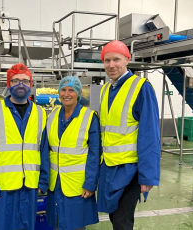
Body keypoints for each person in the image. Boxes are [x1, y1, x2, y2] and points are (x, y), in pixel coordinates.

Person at [97, 40, 160, 230]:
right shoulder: (106, 89)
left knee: (122, 222)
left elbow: (150, 134)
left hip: (130, 169)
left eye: (116, 59)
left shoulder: (141, 87)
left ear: (127, 60)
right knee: (114, 217)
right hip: (109, 167)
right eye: (107, 61)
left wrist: (147, 176)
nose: (111, 65)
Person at [0, 63, 49, 230]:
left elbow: (44, 150)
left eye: (25, 81)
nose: (21, 84)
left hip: (30, 186)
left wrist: (43, 181)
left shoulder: (40, 113)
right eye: (16, 81)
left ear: (31, 84)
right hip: (2, 188)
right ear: (8, 84)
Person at [46, 76, 101, 230]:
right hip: (55, 183)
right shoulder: (51, 117)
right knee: (56, 223)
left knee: (75, 224)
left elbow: (95, 154)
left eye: (71, 90)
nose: (67, 94)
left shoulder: (89, 117)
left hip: (77, 185)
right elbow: (47, 150)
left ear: (78, 93)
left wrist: (90, 183)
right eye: (63, 90)